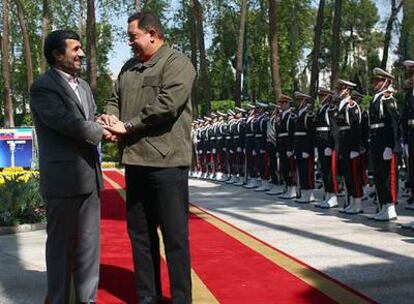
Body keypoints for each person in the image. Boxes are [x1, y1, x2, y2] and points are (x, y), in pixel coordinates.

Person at [101, 12, 195, 304]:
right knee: (140, 236)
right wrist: (110, 118)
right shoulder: (128, 68)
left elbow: (167, 104)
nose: (129, 42)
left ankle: (181, 299)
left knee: (175, 238)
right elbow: (114, 98)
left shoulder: (177, 63)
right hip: (136, 161)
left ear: (152, 33)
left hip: (167, 163)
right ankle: (147, 297)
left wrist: (127, 126)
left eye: (133, 36)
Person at [30, 30, 111, 304]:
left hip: (90, 178)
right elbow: (66, 122)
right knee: (61, 249)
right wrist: (102, 130)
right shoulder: (42, 87)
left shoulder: (85, 86)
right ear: (57, 54)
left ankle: (87, 300)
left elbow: (88, 118)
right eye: (75, 49)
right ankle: (59, 299)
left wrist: (105, 120)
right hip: (62, 181)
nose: (81, 54)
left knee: (89, 248)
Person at [367, 68, 400, 221]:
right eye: (374, 80)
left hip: (384, 140)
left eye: (379, 80)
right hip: (375, 140)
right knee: (379, 175)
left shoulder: (388, 98)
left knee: (387, 175)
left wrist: (391, 145)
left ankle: (391, 207)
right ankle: (384, 205)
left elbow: (393, 123)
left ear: (386, 82)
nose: (375, 83)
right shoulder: (376, 98)